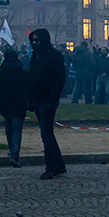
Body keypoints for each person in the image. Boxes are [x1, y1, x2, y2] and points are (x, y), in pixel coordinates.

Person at [28, 28, 67, 179]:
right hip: (37, 98)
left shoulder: (54, 56)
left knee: (46, 133)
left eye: (37, 40)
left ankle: (51, 166)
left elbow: (59, 79)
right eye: (33, 41)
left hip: (47, 99)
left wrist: (53, 99)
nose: (34, 43)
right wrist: (30, 98)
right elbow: (31, 77)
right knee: (47, 133)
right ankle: (58, 164)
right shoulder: (35, 56)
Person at [0, 49, 29, 167]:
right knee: (17, 129)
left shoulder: (0, 72)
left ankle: (11, 149)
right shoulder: (23, 72)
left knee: (9, 127)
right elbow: (28, 90)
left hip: (5, 103)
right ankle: (15, 153)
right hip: (19, 103)